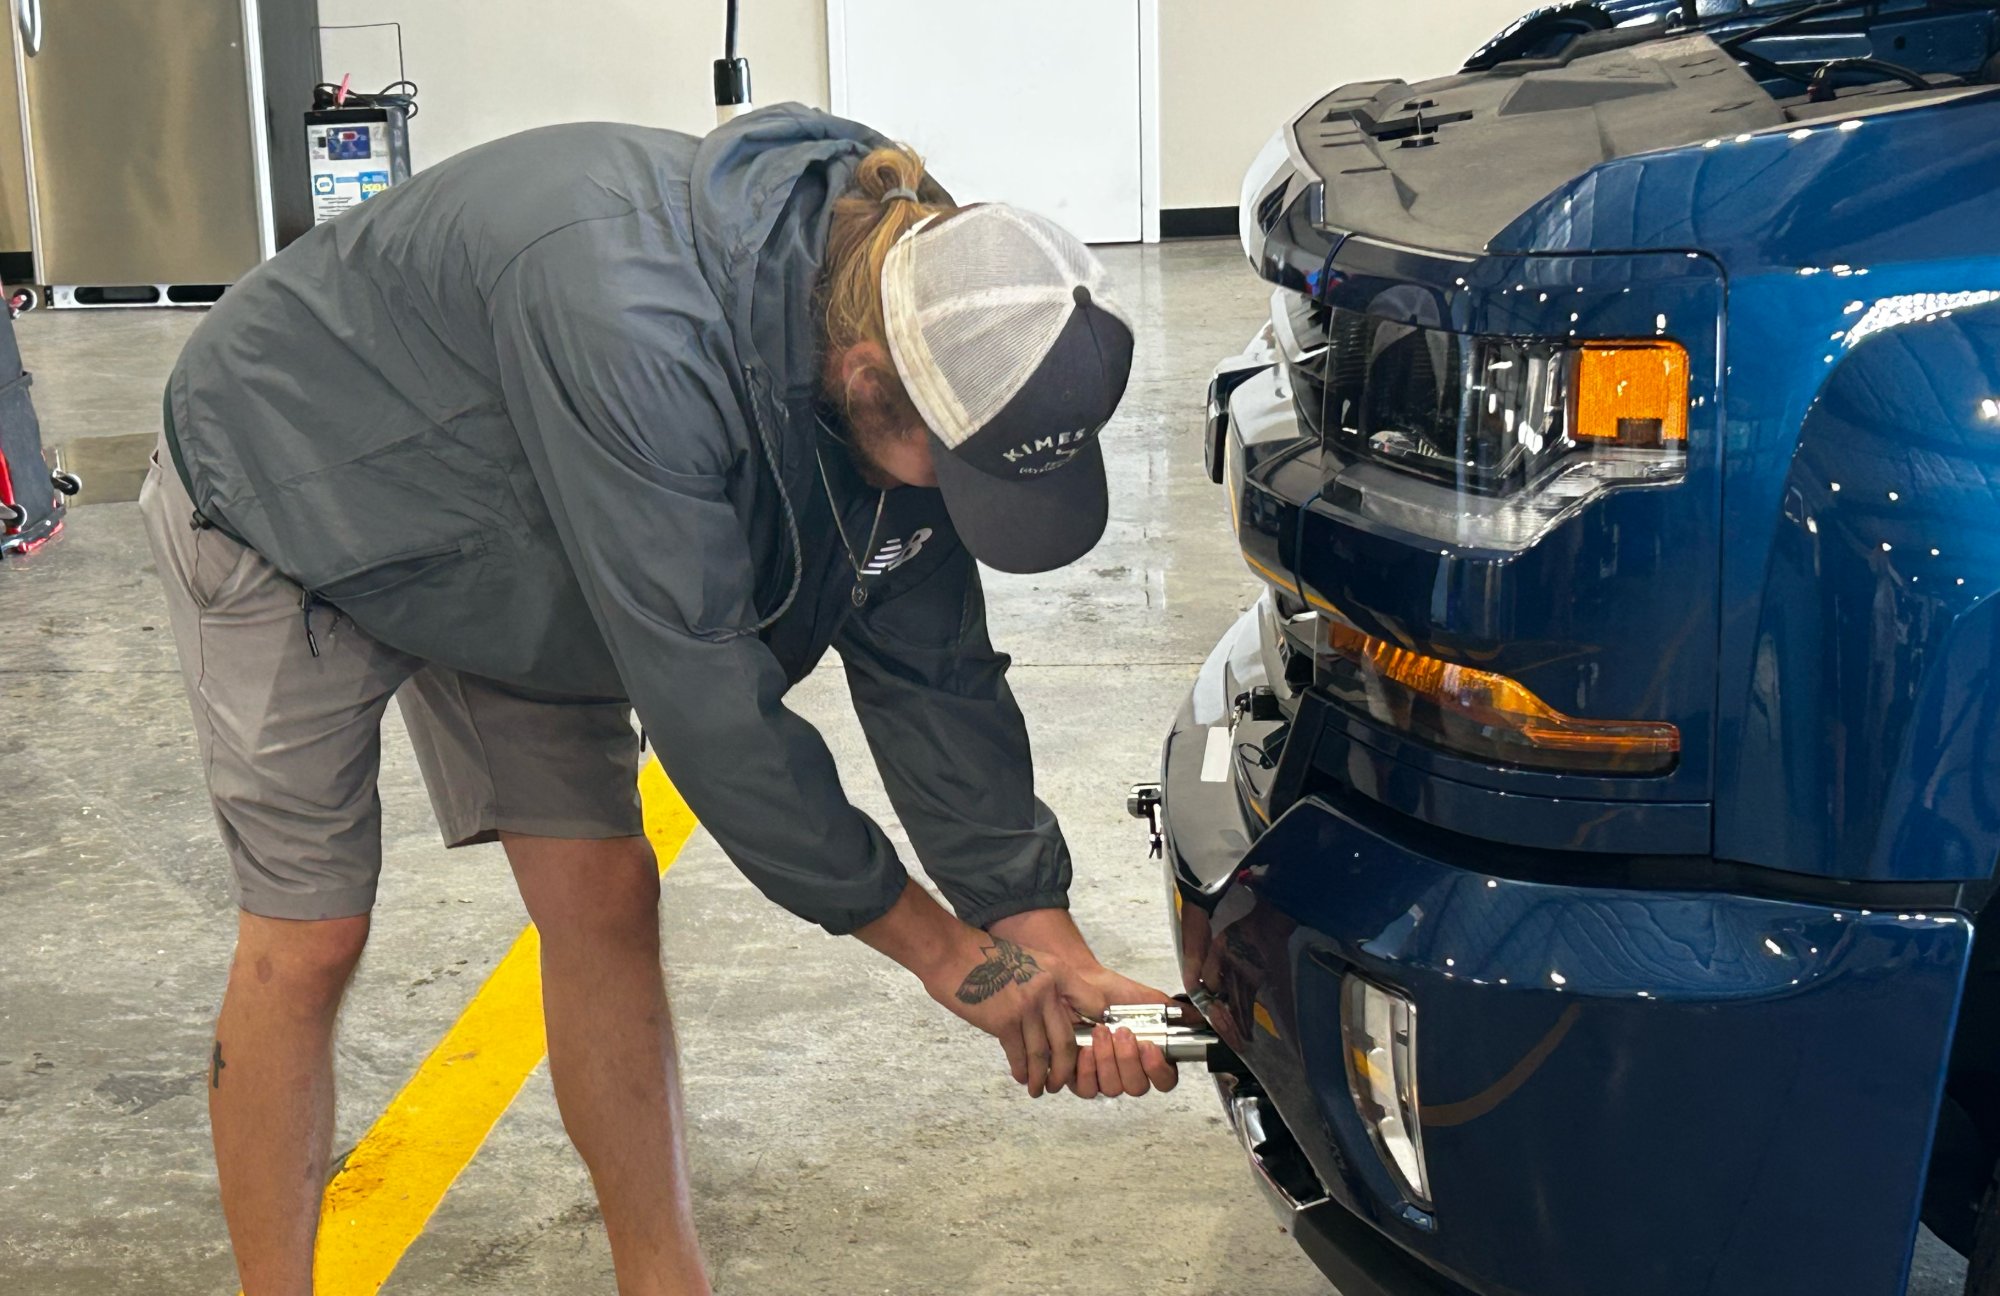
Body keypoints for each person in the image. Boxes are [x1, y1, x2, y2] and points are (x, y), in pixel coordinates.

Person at [140, 103, 1177, 1296]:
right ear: (862, 379)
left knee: (603, 891)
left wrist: (1039, 935)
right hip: (299, 482)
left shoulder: (928, 311)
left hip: (533, 525)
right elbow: (712, 708)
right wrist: (953, 960)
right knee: (311, 935)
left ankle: (663, 1279)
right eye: (958, 470)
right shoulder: (634, 324)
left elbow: (934, 671)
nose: (958, 499)